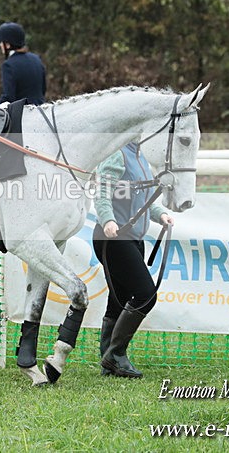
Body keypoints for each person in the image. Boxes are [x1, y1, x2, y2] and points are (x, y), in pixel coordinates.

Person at [93, 142, 175, 378]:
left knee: (118, 299)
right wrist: (108, 220)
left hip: (131, 238)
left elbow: (144, 199)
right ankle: (115, 355)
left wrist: (161, 215)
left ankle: (108, 361)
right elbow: (102, 192)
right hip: (114, 237)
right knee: (145, 294)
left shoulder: (140, 157)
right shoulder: (116, 153)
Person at [0, 22, 46, 106]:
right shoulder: (36, 59)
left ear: (7, 45)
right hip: (42, 111)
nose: (0, 45)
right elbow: (42, 90)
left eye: (1, 42)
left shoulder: (8, 65)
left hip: (23, 114)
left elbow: (8, 98)